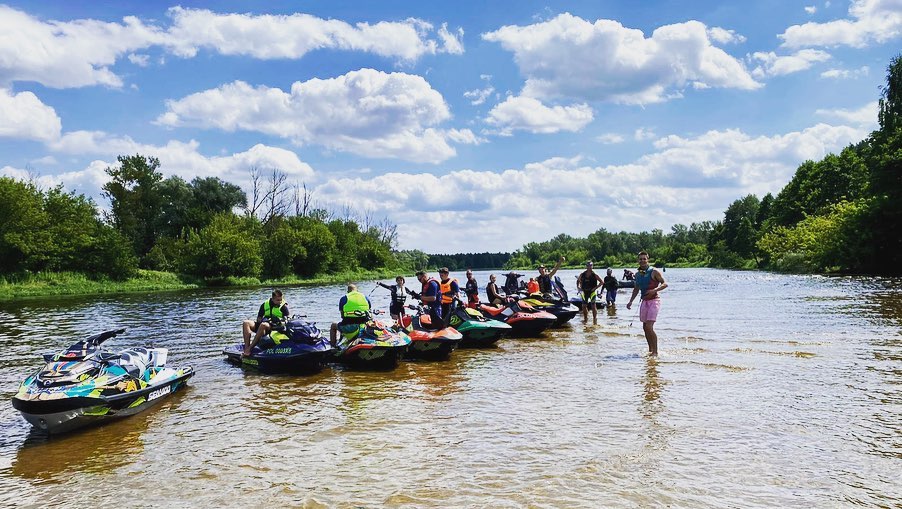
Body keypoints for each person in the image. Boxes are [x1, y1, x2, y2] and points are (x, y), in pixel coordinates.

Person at [627, 251, 668, 356]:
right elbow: (636, 289)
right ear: (638, 260)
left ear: (648, 260)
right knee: (645, 327)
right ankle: (650, 350)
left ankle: (655, 352)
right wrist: (630, 301)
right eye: (640, 259)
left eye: (644, 259)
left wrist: (654, 290)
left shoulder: (654, 272)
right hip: (644, 301)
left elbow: (665, 284)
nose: (642, 261)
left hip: (654, 301)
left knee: (649, 327)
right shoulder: (637, 274)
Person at [242, 289, 289, 356]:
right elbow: (259, 318)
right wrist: (264, 320)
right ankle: (246, 348)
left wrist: (277, 320)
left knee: (263, 325)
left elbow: (287, 320)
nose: (280, 301)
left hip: (275, 327)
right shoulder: (265, 305)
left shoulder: (284, 307)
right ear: (272, 299)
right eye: (278, 300)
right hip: (264, 324)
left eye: (281, 299)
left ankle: (250, 349)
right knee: (246, 323)